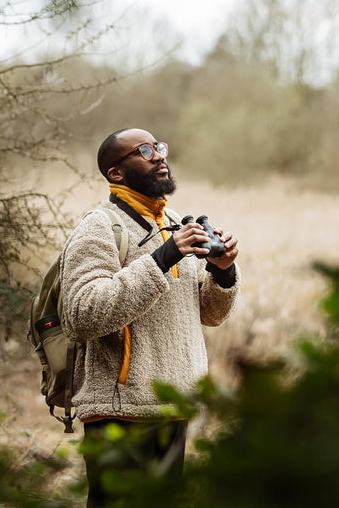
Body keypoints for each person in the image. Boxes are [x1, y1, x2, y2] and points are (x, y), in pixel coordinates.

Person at [60, 128, 240, 507]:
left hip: (173, 406)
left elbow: (207, 315)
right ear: (116, 173)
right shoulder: (99, 227)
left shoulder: (173, 222)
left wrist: (221, 272)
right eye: (144, 151)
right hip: (120, 411)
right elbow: (82, 314)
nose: (159, 155)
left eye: (159, 147)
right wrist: (162, 258)